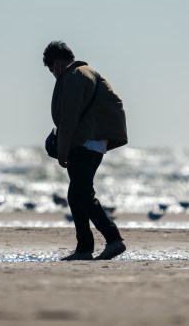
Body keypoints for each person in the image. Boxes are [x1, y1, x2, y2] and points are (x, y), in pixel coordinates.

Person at [43, 40, 128, 261]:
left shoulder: (74, 76)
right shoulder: (87, 73)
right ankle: (84, 248)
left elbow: (69, 116)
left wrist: (62, 149)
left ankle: (113, 239)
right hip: (94, 142)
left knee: (82, 194)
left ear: (58, 63)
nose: (53, 74)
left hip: (85, 143)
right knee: (75, 195)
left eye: (52, 69)